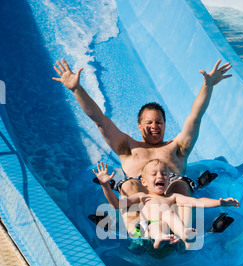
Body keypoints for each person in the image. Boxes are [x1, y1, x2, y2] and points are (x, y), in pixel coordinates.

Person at [53, 58, 232, 230]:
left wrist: (207, 87)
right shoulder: (129, 147)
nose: (154, 127)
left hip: (173, 192)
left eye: (159, 122)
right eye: (149, 123)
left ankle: (183, 232)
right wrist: (76, 89)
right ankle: (138, 234)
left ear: (164, 125)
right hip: (140, 197)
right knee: (129, 185)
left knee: (180, 185)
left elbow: (195, 118)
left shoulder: (177, 147)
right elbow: (100, 120)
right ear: (140, 126)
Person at [93, 159, 239, 249]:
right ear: (143, 182)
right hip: (145, 228)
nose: (160, 176)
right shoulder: (142, 196)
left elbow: (197, 202)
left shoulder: (173, 196)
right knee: (156, 224)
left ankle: (184, 235)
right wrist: (105, 186)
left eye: (164, 174)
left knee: (168, 215)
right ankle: (159, 240)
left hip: (168, 230)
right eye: (154, 174)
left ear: (169, 180)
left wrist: (221, 202)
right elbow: (117, 205)